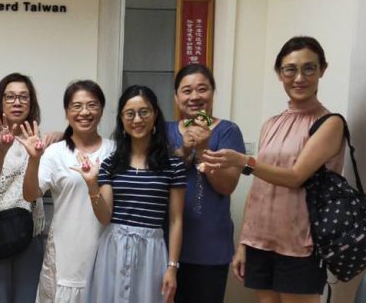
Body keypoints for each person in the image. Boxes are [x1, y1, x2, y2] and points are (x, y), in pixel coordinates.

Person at [201, 36, 346, 303]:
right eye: (290, 69)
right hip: (261, 240)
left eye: (309, 68)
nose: (299, 78)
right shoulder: (271, 123)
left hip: (301, 242)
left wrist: (243, 161)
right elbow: (259, 188)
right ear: (280, 74)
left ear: (322, 70)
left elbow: (295, 177)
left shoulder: (330, 123)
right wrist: (244, 243)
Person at [76, 85, 185, 303]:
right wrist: (91, 185)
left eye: (144, 112)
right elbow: (104, 217)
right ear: (122, 119)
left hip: (152, 252)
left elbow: (176, 220)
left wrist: (172, 267)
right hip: (113, 250)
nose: (137, 119)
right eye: (130, 114)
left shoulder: (173, 165)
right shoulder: (111, 164)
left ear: (155, 115)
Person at [22, 80, 115, 303]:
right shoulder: (55, 152)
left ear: (102, 109)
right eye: (77, 106)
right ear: (66, 112)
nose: (85, 112)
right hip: (65, 255)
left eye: (92, 105)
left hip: (106, 250)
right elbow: (30, 194)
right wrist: (34, 160)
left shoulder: (114, 150)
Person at [0, 73, 59, 303]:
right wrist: (2, 151)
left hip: (29, 232)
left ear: (31, 103)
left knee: (27, 298)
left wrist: (59, 135)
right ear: (0, 102)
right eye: (10, 97)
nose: (17, 102)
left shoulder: (36, 138)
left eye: (24, 97)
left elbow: (72, 142)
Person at [166, 64, 245, 303]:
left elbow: (226, 186)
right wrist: (184, 151)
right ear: (176, 97)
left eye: (202, 89)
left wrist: (202, 150)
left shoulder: (228, 131)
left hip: (209, 247)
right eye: (187, 90)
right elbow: (157, 179)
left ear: (212, 92)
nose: (194, 96)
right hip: (165, 245)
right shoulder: (164, 131)